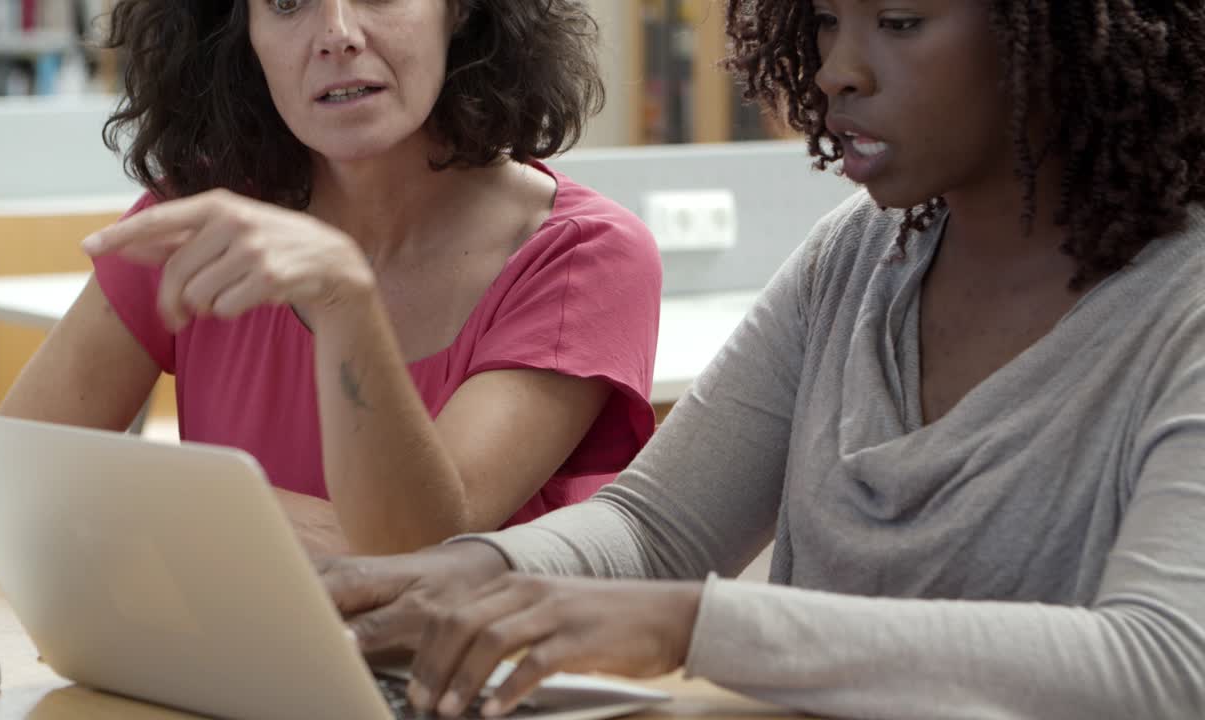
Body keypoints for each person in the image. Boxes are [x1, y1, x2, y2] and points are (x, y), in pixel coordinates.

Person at [318, 1, 1205, 718]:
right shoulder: (856, 256)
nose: (835, 71)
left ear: (1054, 32)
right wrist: (464, 575)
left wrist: (693, 625)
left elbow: (1162, 666)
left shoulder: (1183, 308)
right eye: (824, 21)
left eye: (899, 22)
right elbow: (654, 529)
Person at [0, 0, 661, 557]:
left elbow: (419, 551)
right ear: (239, 36)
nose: (338, 31)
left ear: (457, 9)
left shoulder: (584, 256)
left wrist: (345, 296)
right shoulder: (202, 222)